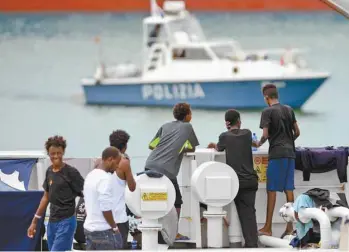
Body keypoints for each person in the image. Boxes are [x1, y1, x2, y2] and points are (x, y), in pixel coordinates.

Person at [145, 102, 199, 240]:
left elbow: (151, 145)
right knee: (177, 202)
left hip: (150, 164)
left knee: (155, 200)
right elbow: (192, 148)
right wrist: (181, 149)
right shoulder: (188, 127)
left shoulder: (165, 126)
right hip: (167, 170)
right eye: (190, 113)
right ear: (187, 116)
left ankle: (156, 230)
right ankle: (174, 232)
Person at [207, 109, 259, 248]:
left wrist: (213, 145)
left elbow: (218, 148)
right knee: (249, 212)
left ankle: (249, 243)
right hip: (251, 180)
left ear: (227, 124)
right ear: (239, 121)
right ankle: (252, 243)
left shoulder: (224, 136)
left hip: (236, 182)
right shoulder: (247, 133)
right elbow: (255, 143)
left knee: (239, 211)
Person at [257, 84, 300, 237]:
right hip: (290, 154)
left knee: (272, 190)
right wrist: (288, 142)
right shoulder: (289, 109)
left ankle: (268, 227)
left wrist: (258, 143)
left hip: (276, 154)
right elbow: (297, 132)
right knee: (289, 189)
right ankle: (290, 227)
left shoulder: (267, 111)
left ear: (266, 97)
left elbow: (266, 134)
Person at [27, 136, 84, 251]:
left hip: (67, 221)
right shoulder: (49, 171)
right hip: (52, 223)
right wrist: (34, 221)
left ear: (63, 152)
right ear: (48, 153)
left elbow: (86, 192)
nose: (56, 156)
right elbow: (46, 197)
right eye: (53, 153)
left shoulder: (71, 172)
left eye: (59, 153)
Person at [83, 147, 123, 250]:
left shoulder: (90, 175)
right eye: (117, 163)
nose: (117, 167)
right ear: (110, 159)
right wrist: (115, 227)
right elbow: (105, 208)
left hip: (89, 228)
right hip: (103, 231)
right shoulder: (105, 178)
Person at [109, 129, 136, 249]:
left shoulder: (101, 162)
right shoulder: (124, 163)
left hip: (104, 217)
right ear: (124, 147)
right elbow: (132, 187)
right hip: (119, 218)